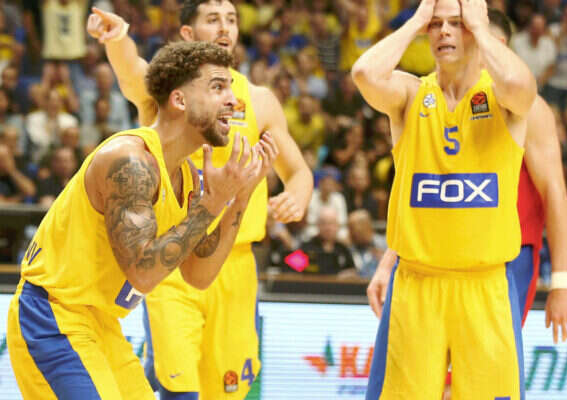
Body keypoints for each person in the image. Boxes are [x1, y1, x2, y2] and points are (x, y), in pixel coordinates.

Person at [6, 40, 278, 400]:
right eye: (218, 87)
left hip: (103, 324)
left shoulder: (189, 177)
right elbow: (143, 272)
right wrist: (212, 204)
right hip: (53, 317)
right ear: (179, 100)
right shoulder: (130, 162)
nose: (234, 100)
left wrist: (241, 195)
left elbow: (199, 275)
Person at [86, 2, 313, 398]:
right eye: (213, 19)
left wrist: (297, 195)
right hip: (173, 258)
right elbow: (132, 72)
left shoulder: (259, 99)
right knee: (180, 388)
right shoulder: (170, 92)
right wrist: (118, 39)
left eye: (231, 19)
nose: (225, 28)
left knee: (229, 390)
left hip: (236, 264)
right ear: (188, 34)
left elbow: (299, 171)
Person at [351, 0, 537, 397]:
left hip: (485, 284)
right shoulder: (410, 93)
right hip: (418, 283)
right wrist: (416, 20)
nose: (445, 31)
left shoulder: (502, 98)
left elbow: (524, 88)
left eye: (456, 23)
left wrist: (481, 28)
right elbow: (364, 73)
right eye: (437, 24)